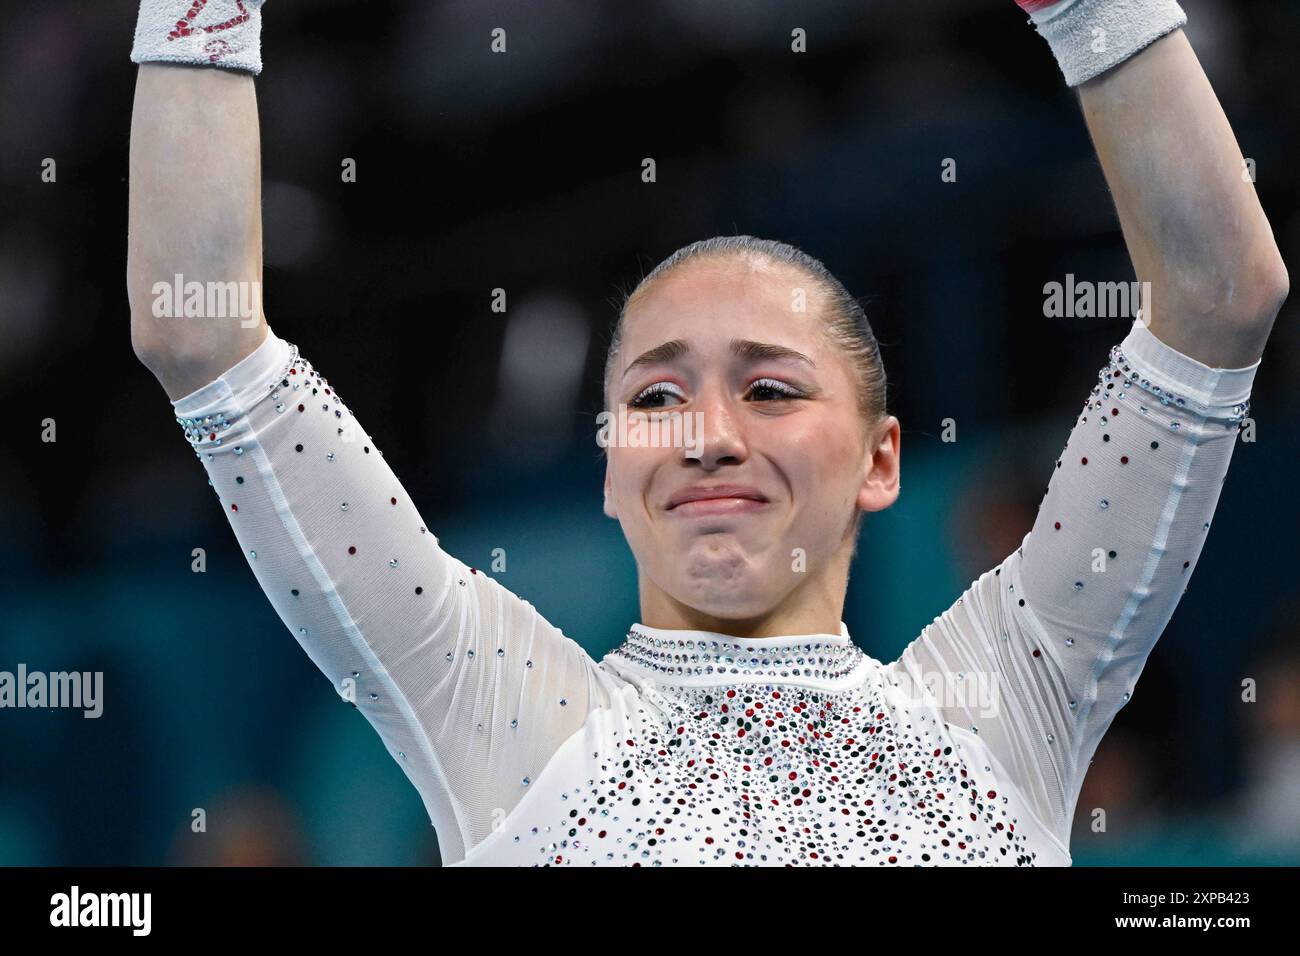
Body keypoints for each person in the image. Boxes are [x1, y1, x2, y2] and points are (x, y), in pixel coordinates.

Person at [127, 0, 1288, 865]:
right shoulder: (505, 718)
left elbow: (1221, 295)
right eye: (654, 397)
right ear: (609, 472)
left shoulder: (1004, 706)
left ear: (881, 459)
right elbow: (202, 333)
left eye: (772, 389)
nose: (708, 434)